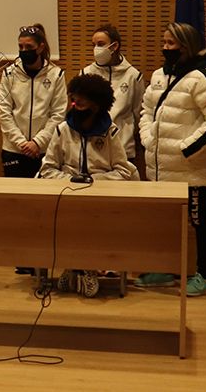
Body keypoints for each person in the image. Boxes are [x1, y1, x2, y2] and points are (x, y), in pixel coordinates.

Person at [137, 22, 206, 297]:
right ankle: (163, 270)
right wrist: (147, 138)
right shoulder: (157, 76)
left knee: (200, 222)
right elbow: (146, 111)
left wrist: (186, 148)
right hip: (158, 169)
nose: (165, 49)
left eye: (171, 44)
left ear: (185, 46)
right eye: (163, 43)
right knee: (163, 223)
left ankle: (203, 275)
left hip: (190, 171)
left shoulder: (202, 77)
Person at [38, 73, 139, 297]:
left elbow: (124, 171)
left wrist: (94, 181)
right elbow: (48, 169)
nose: (77, 100)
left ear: (97, 102)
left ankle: (88, 268)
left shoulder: (110, 131)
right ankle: (72, 266)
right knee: (65, 224)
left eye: (84, 97)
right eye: (75, 96)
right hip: (67, 195)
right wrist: (70, 181)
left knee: (95, 226)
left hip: (101, 198)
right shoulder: (62, 129)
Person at [0, 24, 67, 275]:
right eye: (20, 47)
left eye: (29, 47)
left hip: (44, 151)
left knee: (43, 208)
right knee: (19, 208)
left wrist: (38, 142)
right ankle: (23, 258)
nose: (24, 51)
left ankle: (43, 258)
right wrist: (21, 143)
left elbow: (58, 114)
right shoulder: (8, 74)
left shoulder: (57, 75)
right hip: (13, 150)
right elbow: (5, 113)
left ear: (41, 47)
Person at [81, 24, 145, 174]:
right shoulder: (86, 74)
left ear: (114, 46)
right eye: (94, 45)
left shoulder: (133, 76)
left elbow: (138, 114)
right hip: (93, 150)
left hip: (123, 150)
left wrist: (126, 134)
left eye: (101, 44)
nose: (96, 49)